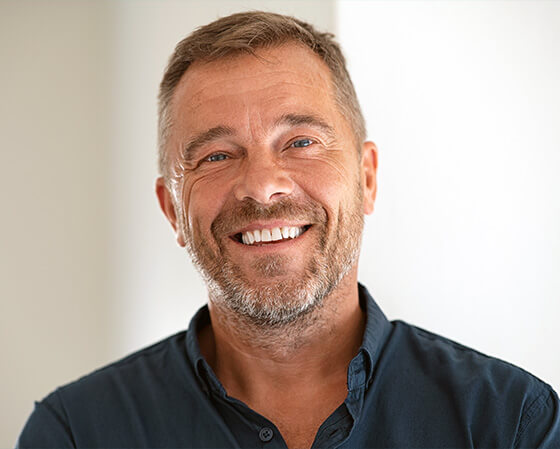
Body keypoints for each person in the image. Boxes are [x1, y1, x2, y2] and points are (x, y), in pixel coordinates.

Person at [17, 11, 560, 449]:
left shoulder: (511, 424)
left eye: (300, 142)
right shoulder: (75, 433)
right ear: (171, 209)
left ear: (367, 179)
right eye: (216, 155)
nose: (261, 186)